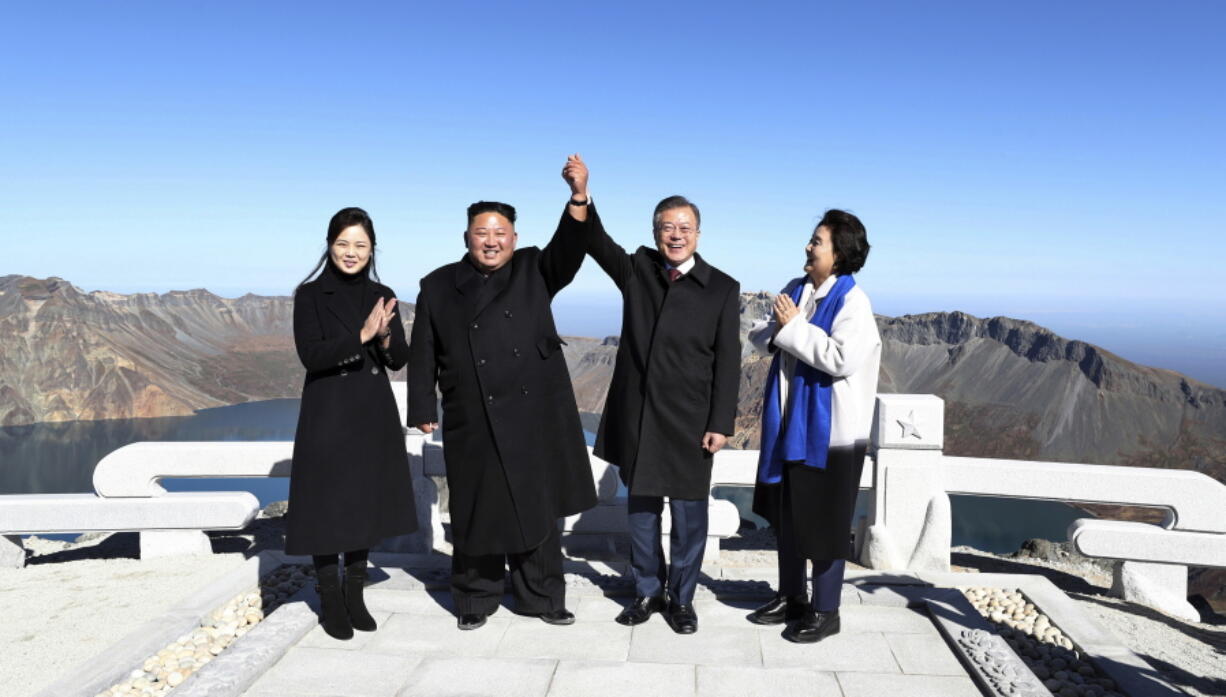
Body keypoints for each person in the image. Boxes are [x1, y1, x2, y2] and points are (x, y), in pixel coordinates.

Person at [407, 156, 597, 630]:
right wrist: (421, 406)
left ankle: (544, 597)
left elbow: (571, 248)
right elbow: (424, 348)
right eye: (481, 233)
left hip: (533, 416)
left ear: (513, 237)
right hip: (471, 413)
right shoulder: (437, 285)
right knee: (476, 507)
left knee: (537, 507)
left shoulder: (536, 268)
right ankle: (475, 599)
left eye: (500, 233)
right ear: (466, 237)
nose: (490, 241)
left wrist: (578, 196)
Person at [585, 170, 741, 634]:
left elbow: (728, 362)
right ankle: (648, 591)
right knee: (642, 513)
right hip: (640, 417)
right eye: (666, 228)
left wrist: (721, 421)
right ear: (655, 234)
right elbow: (596, 241)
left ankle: (682, 599)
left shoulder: (721, 287)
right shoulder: (638, 271)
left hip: (693, 420)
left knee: (691, 517)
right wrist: (581, 196)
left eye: (684, 228)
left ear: (697, 233)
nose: (675, 235)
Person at [745, 209, 880, 643]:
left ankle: (826, 609)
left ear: (838, 254)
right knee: (789, 516)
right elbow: (760, 333)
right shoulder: (796, 290)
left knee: (824, 520)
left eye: (817, 241)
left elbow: (841, 359)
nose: (808, 246)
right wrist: (781, 327)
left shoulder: (853, 303)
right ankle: (792, 596)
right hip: (789, 423)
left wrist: (792, 326)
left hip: (830, 434)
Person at [286, 206, 418, 640]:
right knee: (328, 507)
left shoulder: (382, 292)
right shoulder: (309, 295)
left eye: (360, 245)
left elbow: (399, 357)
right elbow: (312, 355)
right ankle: (330, 599)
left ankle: (355, 595)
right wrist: (360, 336)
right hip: (328, 411)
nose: (351, 252)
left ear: (371, 249)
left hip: (371, 409)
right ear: (329, 245)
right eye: (343, 243)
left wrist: (382, 336)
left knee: (363, 505)